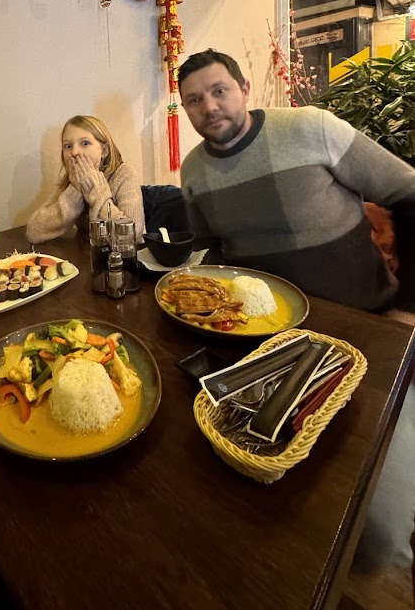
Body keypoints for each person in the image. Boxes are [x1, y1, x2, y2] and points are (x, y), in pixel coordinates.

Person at [178, 47, 415, 580]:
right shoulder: (192, 172)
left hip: (373, 330)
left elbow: (409, 193)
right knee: (254, 508)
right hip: (273, 351)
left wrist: (407, 308)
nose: (209, 107)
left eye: (219, 90)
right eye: (193, 100)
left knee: (376, 537)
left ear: (244, 88)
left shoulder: (312, 128)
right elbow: (212, 254)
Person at [26, 115, 145, 243]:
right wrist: (75, 191)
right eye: (68, 146)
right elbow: (34, 232)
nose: (74, 152)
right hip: (88, 251)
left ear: (104, 151)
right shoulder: (73, 178)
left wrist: (95, 190)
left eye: (85, 143)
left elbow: (134, 234)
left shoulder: (124, 174)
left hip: (126, 254)